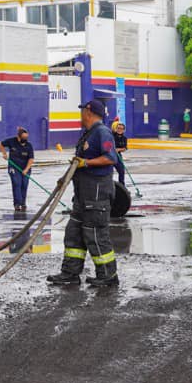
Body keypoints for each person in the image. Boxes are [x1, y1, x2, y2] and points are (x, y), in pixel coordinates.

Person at [48, 99, 119, 288]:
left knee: (95, 234)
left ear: (89, 112)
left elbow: (111, 158)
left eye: (82, 112)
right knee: (74, 233)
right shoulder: (89, 133)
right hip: (82, 195)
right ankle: (70, 273)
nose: (80, 115)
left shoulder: (102, 132)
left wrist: (86, 163)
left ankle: (107, 276)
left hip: (96, 194)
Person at [0, 126, 35, 212]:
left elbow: (31, 159)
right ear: (19, 137)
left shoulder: (29, 146)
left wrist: (26, 170)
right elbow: (0, 144)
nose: (25, 139)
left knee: (24, 184)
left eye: (26, 137)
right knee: (16, 183)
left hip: (26, 168)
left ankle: (23, 203)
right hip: (14, 167)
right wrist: (4, 154)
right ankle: (17, 204)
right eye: (23, 137)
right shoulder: (12, 141)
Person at [111, 118, 129, 185]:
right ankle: (109, 186)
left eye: (121, 129)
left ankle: (122, 186)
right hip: (110, 156)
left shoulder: (124, 138)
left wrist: (118, 150)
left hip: (118, 156)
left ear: (124, 130)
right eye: (118, 128)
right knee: (109, 172)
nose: (120, 130)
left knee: (121, 171)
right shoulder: (111, 136)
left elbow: (125, 148)